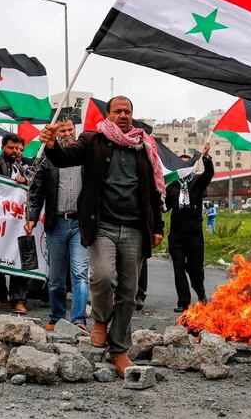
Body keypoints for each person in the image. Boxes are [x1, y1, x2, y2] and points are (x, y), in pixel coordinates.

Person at [40, 96, 165, 377]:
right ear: (108, 114)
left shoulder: (144, 146)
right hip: (102, 225)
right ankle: (99, 319)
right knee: (103, 277)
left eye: (128, 111)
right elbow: (65, 157)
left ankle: (119, 349)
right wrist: (51, 145)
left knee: (129, 293)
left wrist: (158, 227)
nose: (123, 115)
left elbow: (154, 192)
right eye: (118, 111)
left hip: (135, 228)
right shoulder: (92, 140)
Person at [26, 119, 89, 331]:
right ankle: (56, 317)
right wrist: (31, 217)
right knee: (55, 277)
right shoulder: (48, 159)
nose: (67, 133)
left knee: (80, 273)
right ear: (56, 133)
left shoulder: (86, 157)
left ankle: (79, 320)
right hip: (57, 223)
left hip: (81, 224)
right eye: (62, 130)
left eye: (70, 129)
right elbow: (37, 191)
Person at [166, 145, 213, 312]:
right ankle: (183, 302)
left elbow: (209, 174)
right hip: (176, 234)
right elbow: (165, 207)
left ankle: (201, 293)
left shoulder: (197, 182)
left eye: (188, 165)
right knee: (178, 268)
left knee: (195, 269)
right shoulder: (171, 186)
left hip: (194, 234)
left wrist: (206, 159)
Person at [0, 132, 30, 314]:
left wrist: (26, 180)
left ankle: (18, 299)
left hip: (17, 222)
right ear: (3, 147)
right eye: (11, 148)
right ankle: (0, 293)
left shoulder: (22, 168)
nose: (14, 151)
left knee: (18, 257)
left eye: (17, 148)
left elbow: (33, 184)